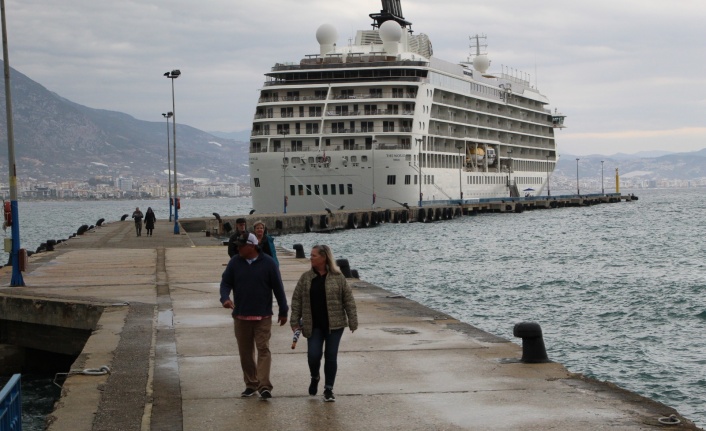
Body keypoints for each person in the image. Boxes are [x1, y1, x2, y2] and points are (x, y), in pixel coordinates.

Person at [220, 231, 289, 400]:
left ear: (251, 246)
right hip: (241, 315)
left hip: (263, 316)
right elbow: (226, 282)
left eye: (241, 246)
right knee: (245, 353)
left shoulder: (269, 263)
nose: (238, 249)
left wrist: (283, 310)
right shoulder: (235, 262)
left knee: (263, 349)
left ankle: (264, 386)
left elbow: (278, 288)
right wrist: (225, 298)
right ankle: (251, 384)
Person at [290, 244, 358, 402]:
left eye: (314, 255)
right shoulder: (306, 277)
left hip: (335, 325)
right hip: (313, 324)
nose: (311, 258)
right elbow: (296, 300)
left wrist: (352, 320)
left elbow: (348, 299)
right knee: (313, 355)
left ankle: (328, 389)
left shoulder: (338, 277)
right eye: (311, 255)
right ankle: (315, 376)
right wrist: (294, 321)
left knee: (331, 356)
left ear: (324, 257)